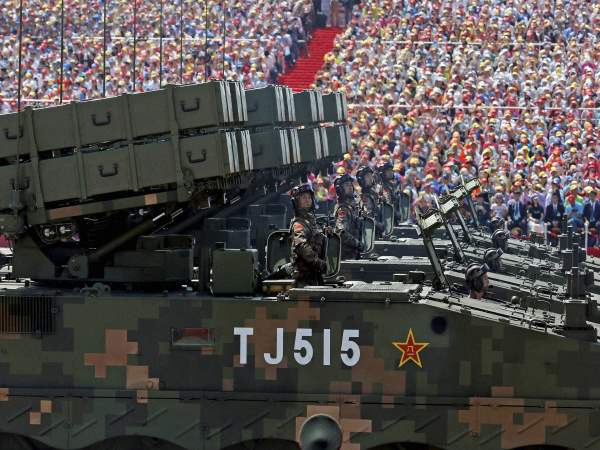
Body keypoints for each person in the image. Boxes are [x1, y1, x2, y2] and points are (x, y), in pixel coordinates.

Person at [289, 184, 328, 287]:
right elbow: (302, 246)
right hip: (304, 277)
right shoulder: (298, 224)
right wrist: (318, 262)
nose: (307, 200)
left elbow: (314, 238)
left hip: (313, 274)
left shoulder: (309, 221)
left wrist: (325, 233)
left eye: (309, 198)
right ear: (296, 202)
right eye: (304, 198)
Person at [334, 174, 364, 260]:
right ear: (340, 189)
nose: (350, 187)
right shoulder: (343, 209)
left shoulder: (351, 207)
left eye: (351, 185)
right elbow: (341, 232)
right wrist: (357, 243)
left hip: (353, 253)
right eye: (347, 185)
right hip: (347, 256)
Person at [357, 166, 385, 236]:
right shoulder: (363, 196)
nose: (370, 178)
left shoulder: (373, 193)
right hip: (368, 233)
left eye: (371, 175)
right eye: (367, 176)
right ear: (361, 180)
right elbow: (367, 218)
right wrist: (380, 226)